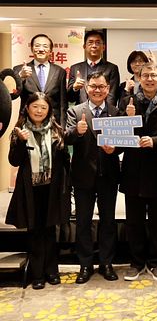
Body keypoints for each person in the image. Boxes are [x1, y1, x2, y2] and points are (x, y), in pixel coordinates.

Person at [119, 63, 157, 282]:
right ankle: (136, 263)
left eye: (153, 75)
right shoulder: (127, 101)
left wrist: (154, 141)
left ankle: (156, 263)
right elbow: (118, 133)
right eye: (145, 75)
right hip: (132, 168)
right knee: (133, 222)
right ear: (139, 78)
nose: (149, 79)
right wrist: (127, 117)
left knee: (156, 221)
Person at [6, 92, 70, 289]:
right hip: (30, 189)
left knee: (50, 230)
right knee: (34, 231)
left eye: (43, 107)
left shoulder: (57, 130)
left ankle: (52, 271)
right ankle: (38, 274)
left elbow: (64, 160)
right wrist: (21, 142)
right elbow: (14, 161)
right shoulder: (19, 131)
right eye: (35, 107)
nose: (39, 111)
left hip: (51, 188)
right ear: (27, 108)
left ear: (49, 110)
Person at [65, 71, 120, 284]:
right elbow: (66, 138)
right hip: (83, 176)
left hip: (108, 176)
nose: (97, 90)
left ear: (108, 89)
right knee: (83, 222)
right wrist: (77, 132)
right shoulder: (75, 111)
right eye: (93, 86)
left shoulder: (115, 112)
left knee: (108, 222)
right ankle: (85, 265)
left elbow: (124, 142)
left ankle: (106, 263)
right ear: (87, 88)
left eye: (101, 87)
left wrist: (115, 149)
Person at [13, 34, 67, 126]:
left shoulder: (60, 71)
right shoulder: (19, 70)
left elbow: (63, 103)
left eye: (45, 46)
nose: (41, 49)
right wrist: (20, 77)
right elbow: (13, 95)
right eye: (37, 46)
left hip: (53, 122)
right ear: (32, 49)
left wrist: (62, 126)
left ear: (50, 51)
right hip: (27, 121)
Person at [67, 30, 120, 106]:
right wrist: (75, 88)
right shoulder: (75, 68)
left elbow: (112, 96)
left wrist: (104, 112)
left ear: (103, 47)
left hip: (104, 112)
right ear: (84, 46)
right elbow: (70, 98)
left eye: (98, 43)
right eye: (90, 42)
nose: (94, 46)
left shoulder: (112, 68)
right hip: (81, 111)